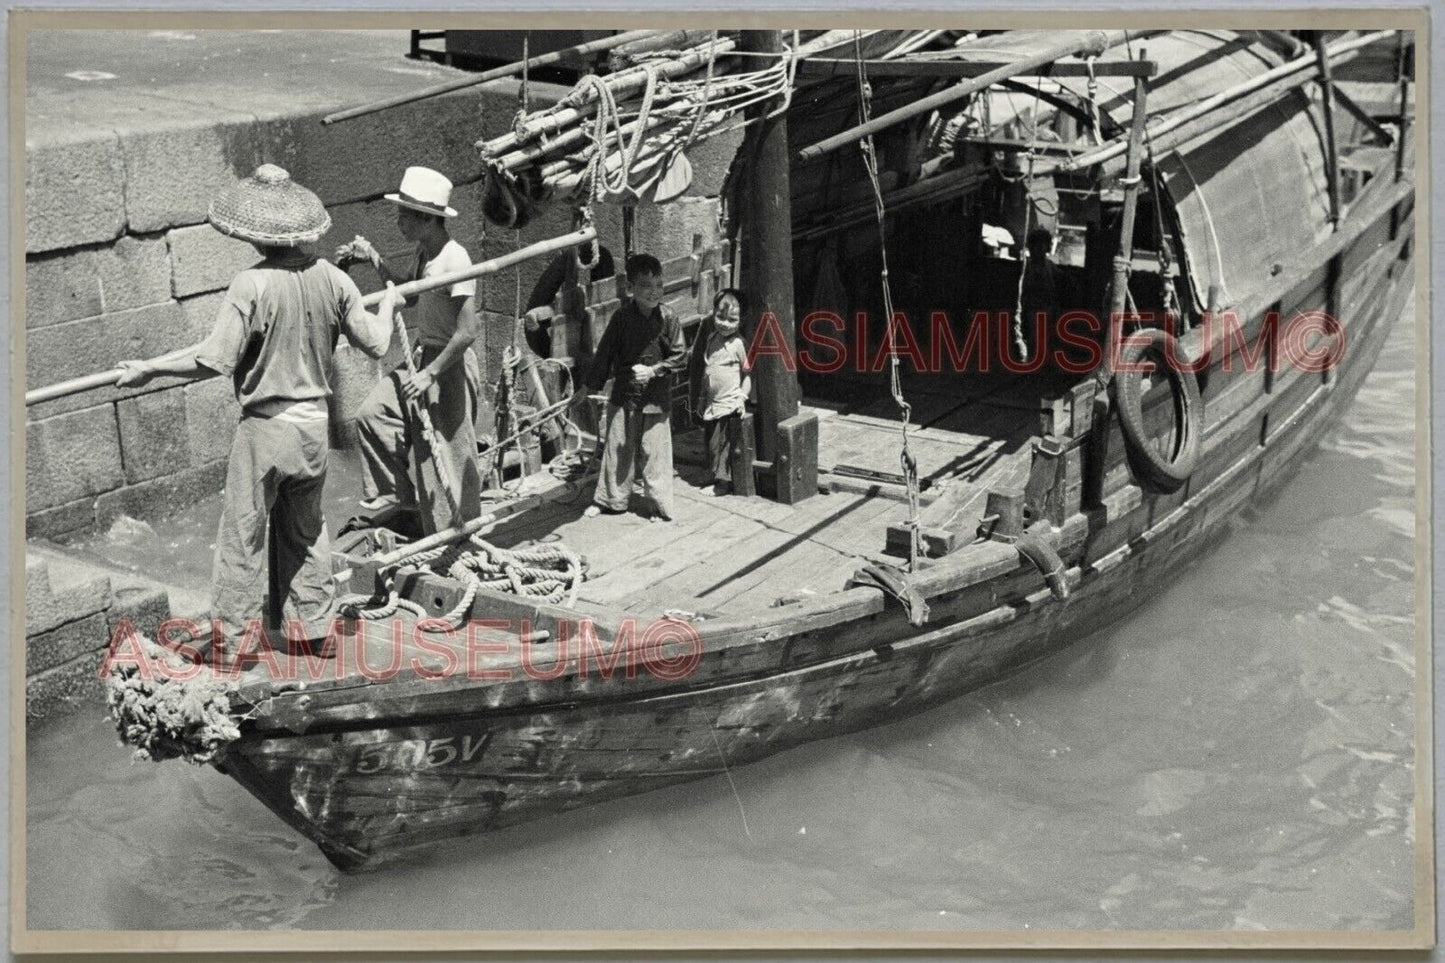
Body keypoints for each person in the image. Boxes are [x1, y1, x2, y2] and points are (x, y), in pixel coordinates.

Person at [115, 164, 395, 655]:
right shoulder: (333, 278)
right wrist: (390, 305)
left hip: (267, 431)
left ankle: (233, 644)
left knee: (243, 535)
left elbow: (212, 359)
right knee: (307, 533)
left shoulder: (251, 284)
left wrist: (148, 368)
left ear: (257, 235)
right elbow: (374, 342)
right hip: (313, 432)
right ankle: (313, 632)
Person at [336, 166, 483, 535]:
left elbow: (468, 331)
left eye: (405, 215)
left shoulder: (455, 260)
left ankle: (461, 532)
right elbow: (407, 293)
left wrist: (431, 373)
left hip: (449, 365)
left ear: (428, 220)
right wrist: (372, 257)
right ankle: (406, 502)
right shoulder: (424, 252)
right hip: (423, 356)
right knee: (372, 413)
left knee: (448, 452)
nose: (399, 222)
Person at [570, 253, 686, 521]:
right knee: (617, 448)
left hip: (656, 398)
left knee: (655, 453)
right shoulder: (621, 318)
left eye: (659, 285)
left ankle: (657, 505)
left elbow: (680, 356)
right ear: (630, 288)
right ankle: (610, 499)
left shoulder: (668, 318)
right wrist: (586, 389)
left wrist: (655, 371)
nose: (654, 292)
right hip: (624, 395)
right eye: (646, 286)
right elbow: (604, 357)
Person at [688, 288, 751, 497]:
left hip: (728, 402)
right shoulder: (712, 338)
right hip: (712, 402)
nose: (724, 323)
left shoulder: (738, 344)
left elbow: (747, 374)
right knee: (711, 442)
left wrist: (742, 399)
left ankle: (722, 484)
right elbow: (708, 370)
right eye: (720, 317)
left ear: (741, 321)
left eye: (731, 320)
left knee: (723, 445)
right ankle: (712, 475)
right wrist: (702, 398)